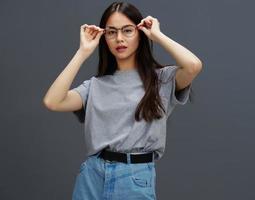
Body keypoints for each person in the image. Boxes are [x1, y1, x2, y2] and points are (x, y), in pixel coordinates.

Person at [43, 1, 203, 199]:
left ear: (140, 33)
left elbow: (193, 66)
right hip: (92, 176)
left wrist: (157, 35)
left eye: (127, 30)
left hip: (134, 176)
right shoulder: (94, 86)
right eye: (111, 32)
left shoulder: (161, 80)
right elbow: (53, 101)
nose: (119, 38)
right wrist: (82, 52)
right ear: (104, 37)